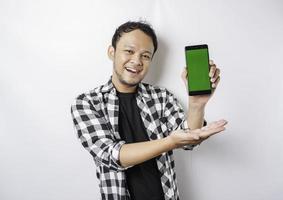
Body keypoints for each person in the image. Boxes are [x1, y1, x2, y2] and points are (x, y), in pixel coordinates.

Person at [71, 21, 227, 200]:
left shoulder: (161, 97)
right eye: (129, 51)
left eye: (145, 55)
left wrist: (197, 105)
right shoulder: (86, 103)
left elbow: (189, 140)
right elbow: (112, 155)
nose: (137, 61)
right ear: (112, 52)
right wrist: (170, 142)